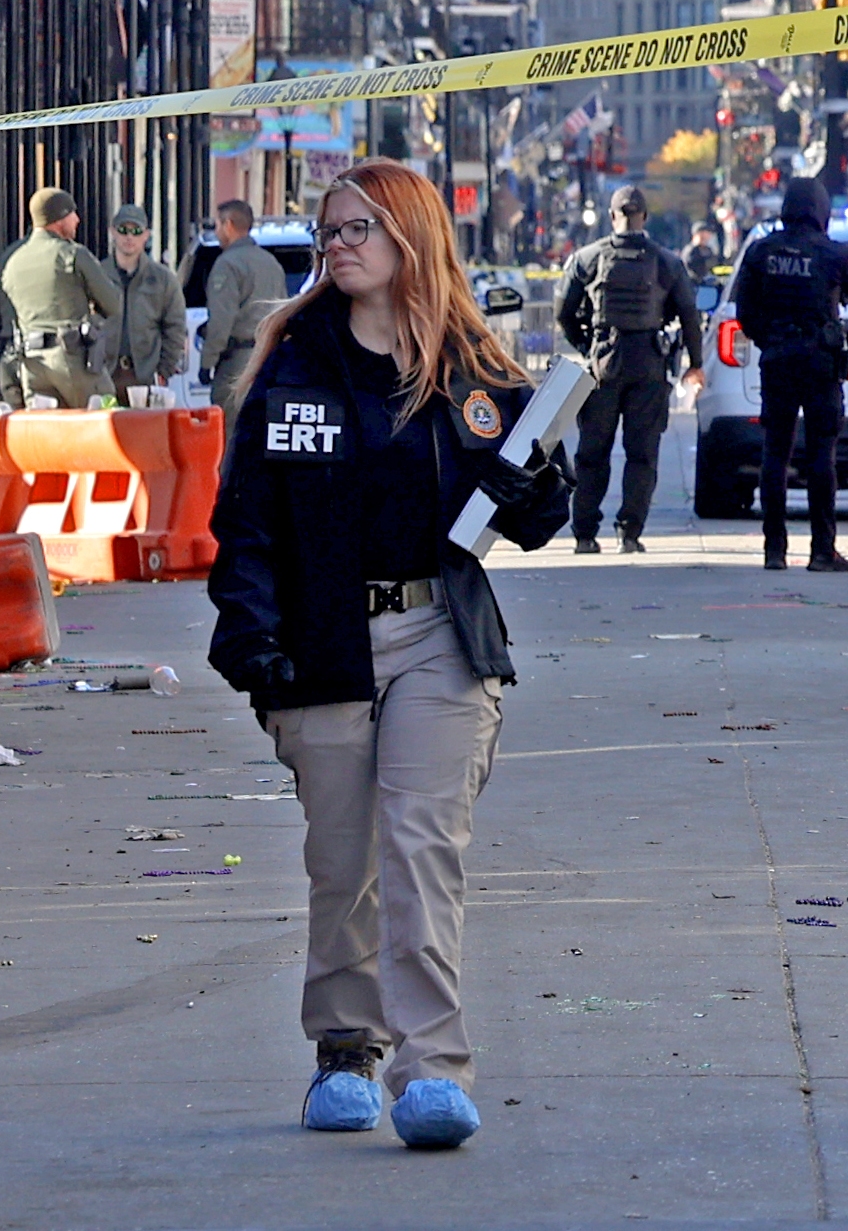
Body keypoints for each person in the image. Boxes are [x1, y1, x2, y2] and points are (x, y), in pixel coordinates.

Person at [204, 160, 571, 1151]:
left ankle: (432, 1068)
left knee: (419, 848)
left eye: (358, 226)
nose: (339, 245)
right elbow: (243, 521)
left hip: (439, 637)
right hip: (322, 638)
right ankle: (343, 1047)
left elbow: (538, 504)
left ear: (411, 232)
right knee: (343, 860)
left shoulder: (472, 367)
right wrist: (249, 633)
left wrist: (537, 489)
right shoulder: (291, 362)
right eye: (328, 231)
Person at [724, 176, 848, 571]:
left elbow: (745, 312)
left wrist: (769, 340)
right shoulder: (836, 253)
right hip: (821, 361)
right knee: (822, 454)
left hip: (777, 359)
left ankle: (775, 551)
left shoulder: (760, 251)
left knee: (775, 453)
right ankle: (823, 550)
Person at [555, 186, 703, 554]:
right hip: (649, 365)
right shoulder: (668, 262)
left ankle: (585, 535)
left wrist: (586, 345)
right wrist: (695, 365)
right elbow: (689, 317)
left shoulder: (587, 258)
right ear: (645, 218)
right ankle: (629, 534)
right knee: (642, 454)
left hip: (603, 362)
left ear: (611, 216)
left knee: (592, 454)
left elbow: (563, 311)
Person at [0, 188, 122, 408]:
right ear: (58, 219)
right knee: (107, 416)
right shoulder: (72, 255)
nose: (77, 219)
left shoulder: (13, 263)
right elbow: (113, 304)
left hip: (31, 365)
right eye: (71, 213)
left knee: (47, 434)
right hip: (72, 361)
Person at [199, 195, 292, 417]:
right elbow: (284, 312)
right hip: (267, 360)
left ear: (228, 225)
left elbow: (221, 321)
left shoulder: (227, 264)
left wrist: (207, 363)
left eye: (218, 224)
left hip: (236, 362)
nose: (217, 231)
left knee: (230, 431)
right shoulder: (271, 263)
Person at [100, 202, 189, 396]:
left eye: (136, 231)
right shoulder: (97, 274)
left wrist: (163, 370)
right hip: (103, 376)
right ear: (112, 232)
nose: (129, 237)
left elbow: (176, 328)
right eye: (123, 230)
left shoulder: (162, 278)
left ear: (146, 235)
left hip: (145, 377)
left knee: (145, 427)